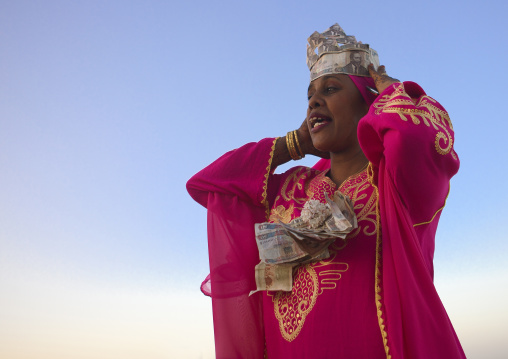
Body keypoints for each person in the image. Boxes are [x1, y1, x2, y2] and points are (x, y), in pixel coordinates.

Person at [187, 24, 466, 359]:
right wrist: (294, 143)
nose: (314, 100)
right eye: (309, 95)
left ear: (369, 104)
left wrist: (392, 91)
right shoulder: (291, 189)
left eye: (331, 89)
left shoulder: (393, 181)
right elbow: (207, 183)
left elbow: (418, 137)